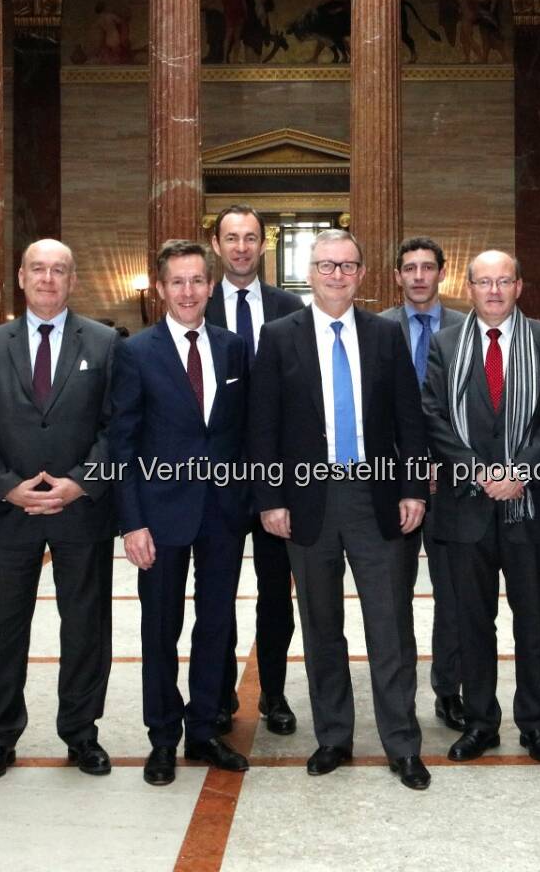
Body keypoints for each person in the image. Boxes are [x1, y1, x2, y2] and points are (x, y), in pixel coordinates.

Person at [248, 229, 433, 790]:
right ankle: (334, 737)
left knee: (390, 624)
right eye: (326, 266)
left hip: (375, 495)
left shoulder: (384, 335)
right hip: (307, 498)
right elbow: (263, 427)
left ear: (361, 273)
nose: (336, 275)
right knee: (321, 624)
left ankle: (402, 743)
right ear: (310, 270)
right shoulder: (278, 337)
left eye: (346, 266)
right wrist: (271, 498)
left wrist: (414, 489)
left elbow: (410, 422)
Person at [0, 239, 119, 782]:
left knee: (85, 628)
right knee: (4, 629)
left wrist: (80, 484)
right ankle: (0, 737)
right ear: (21, 278)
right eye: (38, 270)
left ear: (73, 281)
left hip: (82, 513)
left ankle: (81, 733)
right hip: (9, 513)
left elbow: (116, 428)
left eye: (59, 271)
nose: (48, 279)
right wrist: (7, 488)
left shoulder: (104, 343)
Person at [110, 240, 252, 787]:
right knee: (160, 628)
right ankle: (163, 738)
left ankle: (203, 731)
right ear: (161, 289)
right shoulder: (135, 352)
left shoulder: (234, 348)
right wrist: (132, 521)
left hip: (222, 511)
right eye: (177, 282)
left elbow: (242, 434)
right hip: (159, 515)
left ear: (210, 287)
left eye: (197, 281)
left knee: (215, 625)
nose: (188, 291)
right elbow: (121, 442)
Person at [420, 251, 540, 763]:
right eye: (485, 282)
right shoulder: (444, 343)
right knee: (471, 620)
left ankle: (535, 725)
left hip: (527, 507)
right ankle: (481, 721)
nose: (496, 290)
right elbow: (432, 415)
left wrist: (519, 471)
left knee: (533, 620)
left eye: (505, 280)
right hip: (465, 507)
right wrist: (480, 471)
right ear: (470, 288)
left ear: (520, 286)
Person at [205, 204, 306, 737]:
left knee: (275, 594)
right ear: (217, 245)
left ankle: (274, 693)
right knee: (216, 592)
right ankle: (219, 694)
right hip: (217, 479)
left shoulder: (291, 308)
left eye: (250, 238)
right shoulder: (197, 305)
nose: (241, 247)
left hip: (279, 479)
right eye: (231, 238)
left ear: (263, 245)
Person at [381, 237, 468, 732]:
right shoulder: (376, 330)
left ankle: (448, 689)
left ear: (441, 273)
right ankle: (399, 695)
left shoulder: (466, 328)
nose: (418, 276)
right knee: (393, 595)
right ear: (397, 275)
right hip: (391, 484)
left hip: (451, 484)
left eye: (427, 267)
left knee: (452, 593)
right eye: (409, 267)